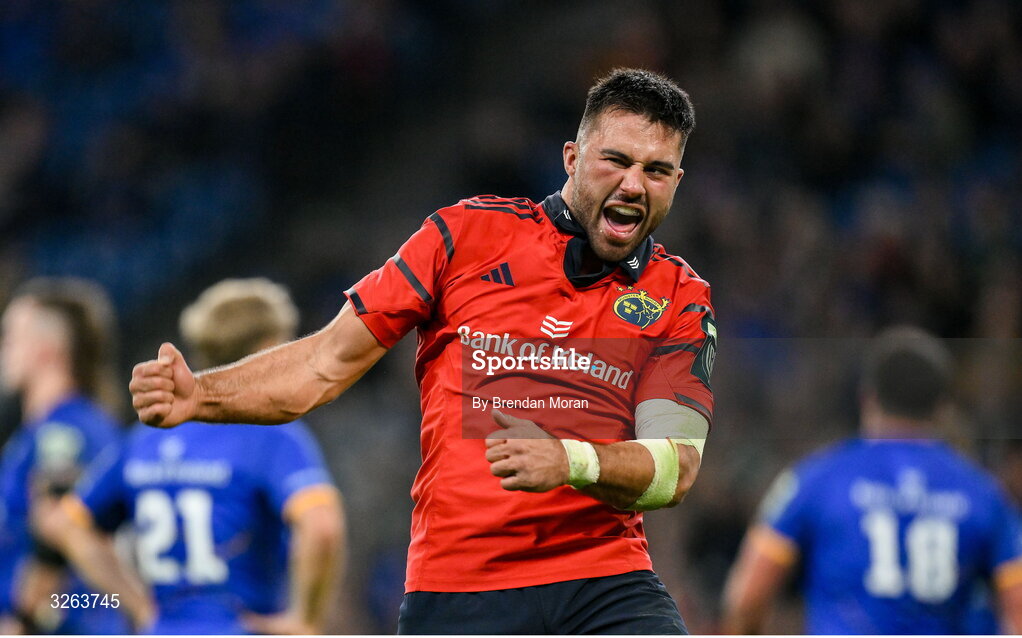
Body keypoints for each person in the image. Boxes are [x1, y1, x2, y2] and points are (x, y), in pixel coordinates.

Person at [130, 68, 716, 634]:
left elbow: (675, 467)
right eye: (616, 160)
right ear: (572, 158)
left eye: (657, 170)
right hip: (460, 586)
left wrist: (569, 461)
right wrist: (201, 393)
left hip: (605, 581)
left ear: (677, 182)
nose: (634, 184)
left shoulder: (679, 296)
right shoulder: (465, 237)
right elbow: (321, 365)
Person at [35, 278, 346, 634]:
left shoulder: (144, 439)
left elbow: (70, 525)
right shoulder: (273, 436)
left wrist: (139, 606)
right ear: (270, 348)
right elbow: (321, 525)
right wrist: (305, 621)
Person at [721, 326, 1022, 634]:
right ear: (941, 407)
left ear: (868, 396)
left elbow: (748, 598)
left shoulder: (816, 480)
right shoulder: (985, 494)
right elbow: (1019, 610)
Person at [0, 277, 128, 634]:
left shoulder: (64, 434)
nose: (3, 348)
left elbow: (56, 535)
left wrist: (22, 621)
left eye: (11, 337)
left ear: (47, 348)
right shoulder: (45, 431)